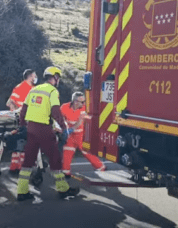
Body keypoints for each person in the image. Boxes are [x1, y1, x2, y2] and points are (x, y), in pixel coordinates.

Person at [16, 66, 80, 201]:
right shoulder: (52, 91)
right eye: (58, 78)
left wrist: (22, 125)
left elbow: (23, 110)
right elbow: (56, 111)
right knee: (55, 159)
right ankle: (63, 189)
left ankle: (22, 192)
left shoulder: (33, 90)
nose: (58, 80)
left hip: (31, 129)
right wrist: (63, 127)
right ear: (55, 77)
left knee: (28, 160)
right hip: (44, 130)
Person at [61, 92, 106, 178]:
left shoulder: (85, 109)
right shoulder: (64, 107)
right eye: (82, 102)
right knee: (67, 151)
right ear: (75, 101)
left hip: (81, 135)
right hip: (70, 135)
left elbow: (82, 122)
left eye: (84, 101)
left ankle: (101, 167)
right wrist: (63, 128)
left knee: (86, 152)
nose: (84, 103)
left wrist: (70, 129)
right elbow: (60, 118)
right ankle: (66, 172)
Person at [6, 69, 38, 174]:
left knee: (22, 145)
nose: (36, 77)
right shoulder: (21, 88)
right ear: (30, 76)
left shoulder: (33, 89)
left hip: (27, 120)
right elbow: (10, 102)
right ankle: (17, 167)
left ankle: (16, 167)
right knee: (22, 145)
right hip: (20, 121)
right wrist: (18, 112)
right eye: (34, 75)